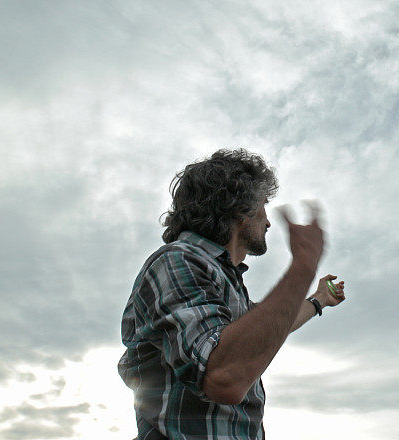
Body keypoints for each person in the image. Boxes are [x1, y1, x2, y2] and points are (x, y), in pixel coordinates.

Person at [118, 149, 345, 439]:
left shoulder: (223, 280)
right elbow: (223, 377)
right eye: (263, 206)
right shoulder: (178, 261)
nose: (268, 221)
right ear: (242, 210)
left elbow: (272, 323)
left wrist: (318, 300)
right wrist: (303, 266)